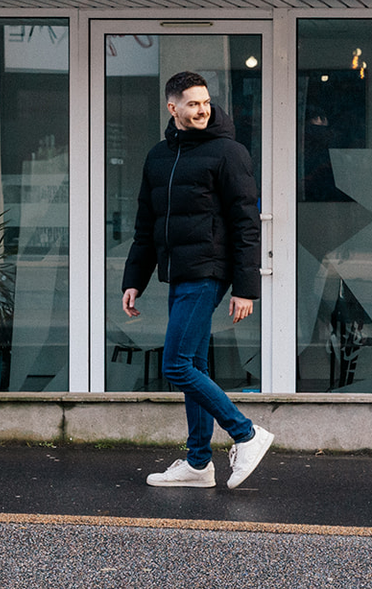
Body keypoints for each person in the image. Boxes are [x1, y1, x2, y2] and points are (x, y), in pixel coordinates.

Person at [121, 71, 274, 489]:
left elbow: (246, 224)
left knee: (176, 363)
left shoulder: (229, 152)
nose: (202, 109)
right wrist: (135, 278)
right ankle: (198, 463)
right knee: (194, 364)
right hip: (179, 273)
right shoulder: (158, 156)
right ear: (173, 108)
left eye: (205, 102)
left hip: (209, 270)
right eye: (192, 103)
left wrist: (246, 286)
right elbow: (147, 224)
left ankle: (246, 433)